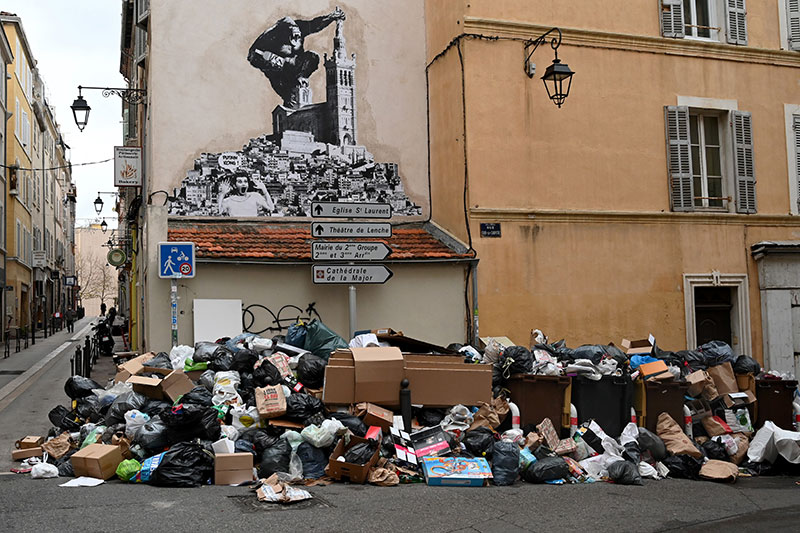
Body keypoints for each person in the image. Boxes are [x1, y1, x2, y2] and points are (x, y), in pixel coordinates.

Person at [247, 7, 345, 108]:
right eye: (293, 36)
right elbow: (251, 55)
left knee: (312, 57)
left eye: (298, 36)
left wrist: (331, 17)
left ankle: (300, 77)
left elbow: (316, 24)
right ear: (284, 34)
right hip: (278, 70)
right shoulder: (271, 35)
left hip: (296, 63)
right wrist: (273, 61)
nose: (296, 40)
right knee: (287, 92)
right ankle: (288, 95)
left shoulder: (300, 26)